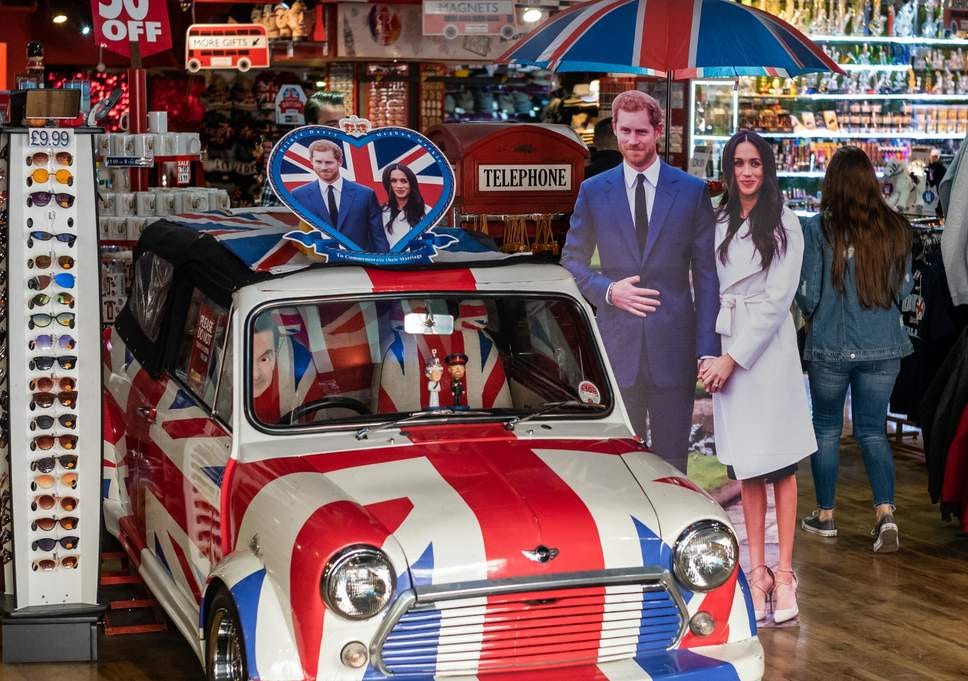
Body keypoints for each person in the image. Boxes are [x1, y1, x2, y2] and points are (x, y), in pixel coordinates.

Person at [560, 90, 720, 473]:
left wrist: (708, 348)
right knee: (621, 461)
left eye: (642, 132)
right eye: (626, 131)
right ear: (615, 130)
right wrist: (609, 291)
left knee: (673, 461)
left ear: (658, 131)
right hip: (617, 345)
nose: (633, 141)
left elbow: (707, 274)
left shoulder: (691, 191)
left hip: (674, 346)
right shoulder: (594, 191)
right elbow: (571, 262)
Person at [699, 131, 816, 625]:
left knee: (782, 466)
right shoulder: (716, 219)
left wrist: (731, 359)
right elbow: (704, 285)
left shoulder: (786, 222)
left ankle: (784, 573)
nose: (747, 172)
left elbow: (776, 302)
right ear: (728, 169)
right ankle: (756, 570)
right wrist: (711, 352)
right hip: (727, 342)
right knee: (746, 468)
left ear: (768, 169)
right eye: (738, 163)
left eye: (755, 163)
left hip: (768, 354)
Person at [796, 145, 914, 553]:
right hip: (884, 346)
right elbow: (905, 291)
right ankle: (885, 513)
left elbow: (808, 293)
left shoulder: (817, 229)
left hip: (829, 346)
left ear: (832, 183)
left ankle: (826, 515)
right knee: (872, 431)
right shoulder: (897, 228)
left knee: (826, 429)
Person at [291, 139, 389, 252]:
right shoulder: (298, 195)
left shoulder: (365, 194)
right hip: (317, 260)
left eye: (329, 162)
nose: (323, 167)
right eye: (318, 162)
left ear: (340, 162)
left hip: (358, 260)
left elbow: (378, 236)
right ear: (311, 161)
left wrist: (384, 259)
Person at [261, 91, 345, 207]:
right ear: (312, 126)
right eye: (332, 125)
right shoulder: (285, 164)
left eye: (344, 122)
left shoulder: (356, 159)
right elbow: (271, 213)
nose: (340, 129)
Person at [381, 163, 429, 248]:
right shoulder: (381, 212)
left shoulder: (427, 211)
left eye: (404, 181)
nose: (399, 186)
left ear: (411, 183)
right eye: (394, 181)